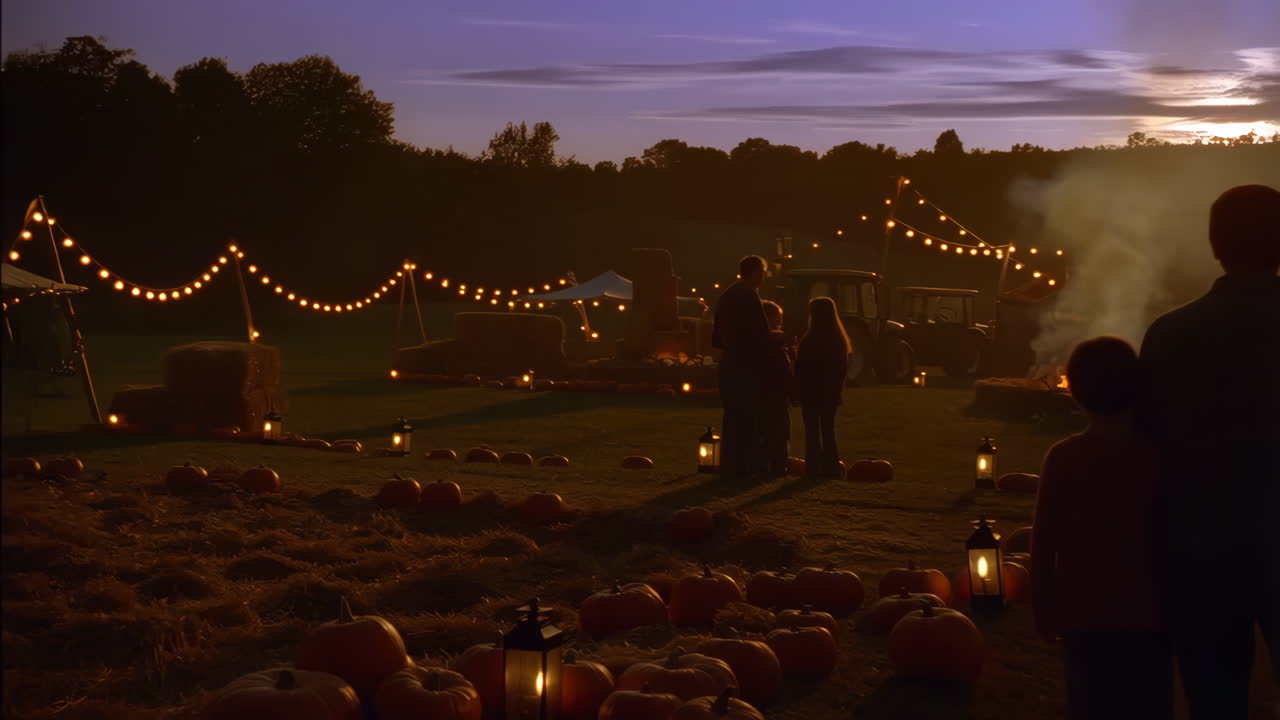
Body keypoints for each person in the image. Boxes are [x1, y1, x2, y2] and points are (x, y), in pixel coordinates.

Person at [1138, 184, 1280, 719]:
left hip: (1202, 547)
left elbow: (1146, 443)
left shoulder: (1171, 334)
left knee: (1215, 697)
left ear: (1214, 245)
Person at [1032, 336, 1171, 720]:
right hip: (1151, 612)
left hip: (1085, 614)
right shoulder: (1158, 455)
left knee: (1091, 702)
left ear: (1074, 391)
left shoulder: (1063, 458)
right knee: (1150, 703)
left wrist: (1044, 606)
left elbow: (1043, 543)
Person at [711, 255, 772, 480]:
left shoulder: (726, 296)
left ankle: (730, 464)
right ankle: (745, 466)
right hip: (745, 365)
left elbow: (716, 336)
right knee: (747, 418)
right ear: (756, 273)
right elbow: (759, 334)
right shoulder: (748, 296)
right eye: (763, 274)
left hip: (729, 364)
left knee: (732, 417)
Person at [793, 297, 849, 480]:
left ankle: (813, 468)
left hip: (810, 391)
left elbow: (801, 368)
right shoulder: (838, 341)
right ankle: (831, 467)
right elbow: (842, 368)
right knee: (828, 429)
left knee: (811, 430)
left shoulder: (809, 340)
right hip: (830, 391)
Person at [759, 300, 794, 477]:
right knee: (778, 431)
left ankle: (764, 464)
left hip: (765, 392)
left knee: (765, 431)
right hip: (775, 392)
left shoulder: (754, 341)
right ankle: (778, 466)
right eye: (777, 317)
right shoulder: (775, 341)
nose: (780, 321)